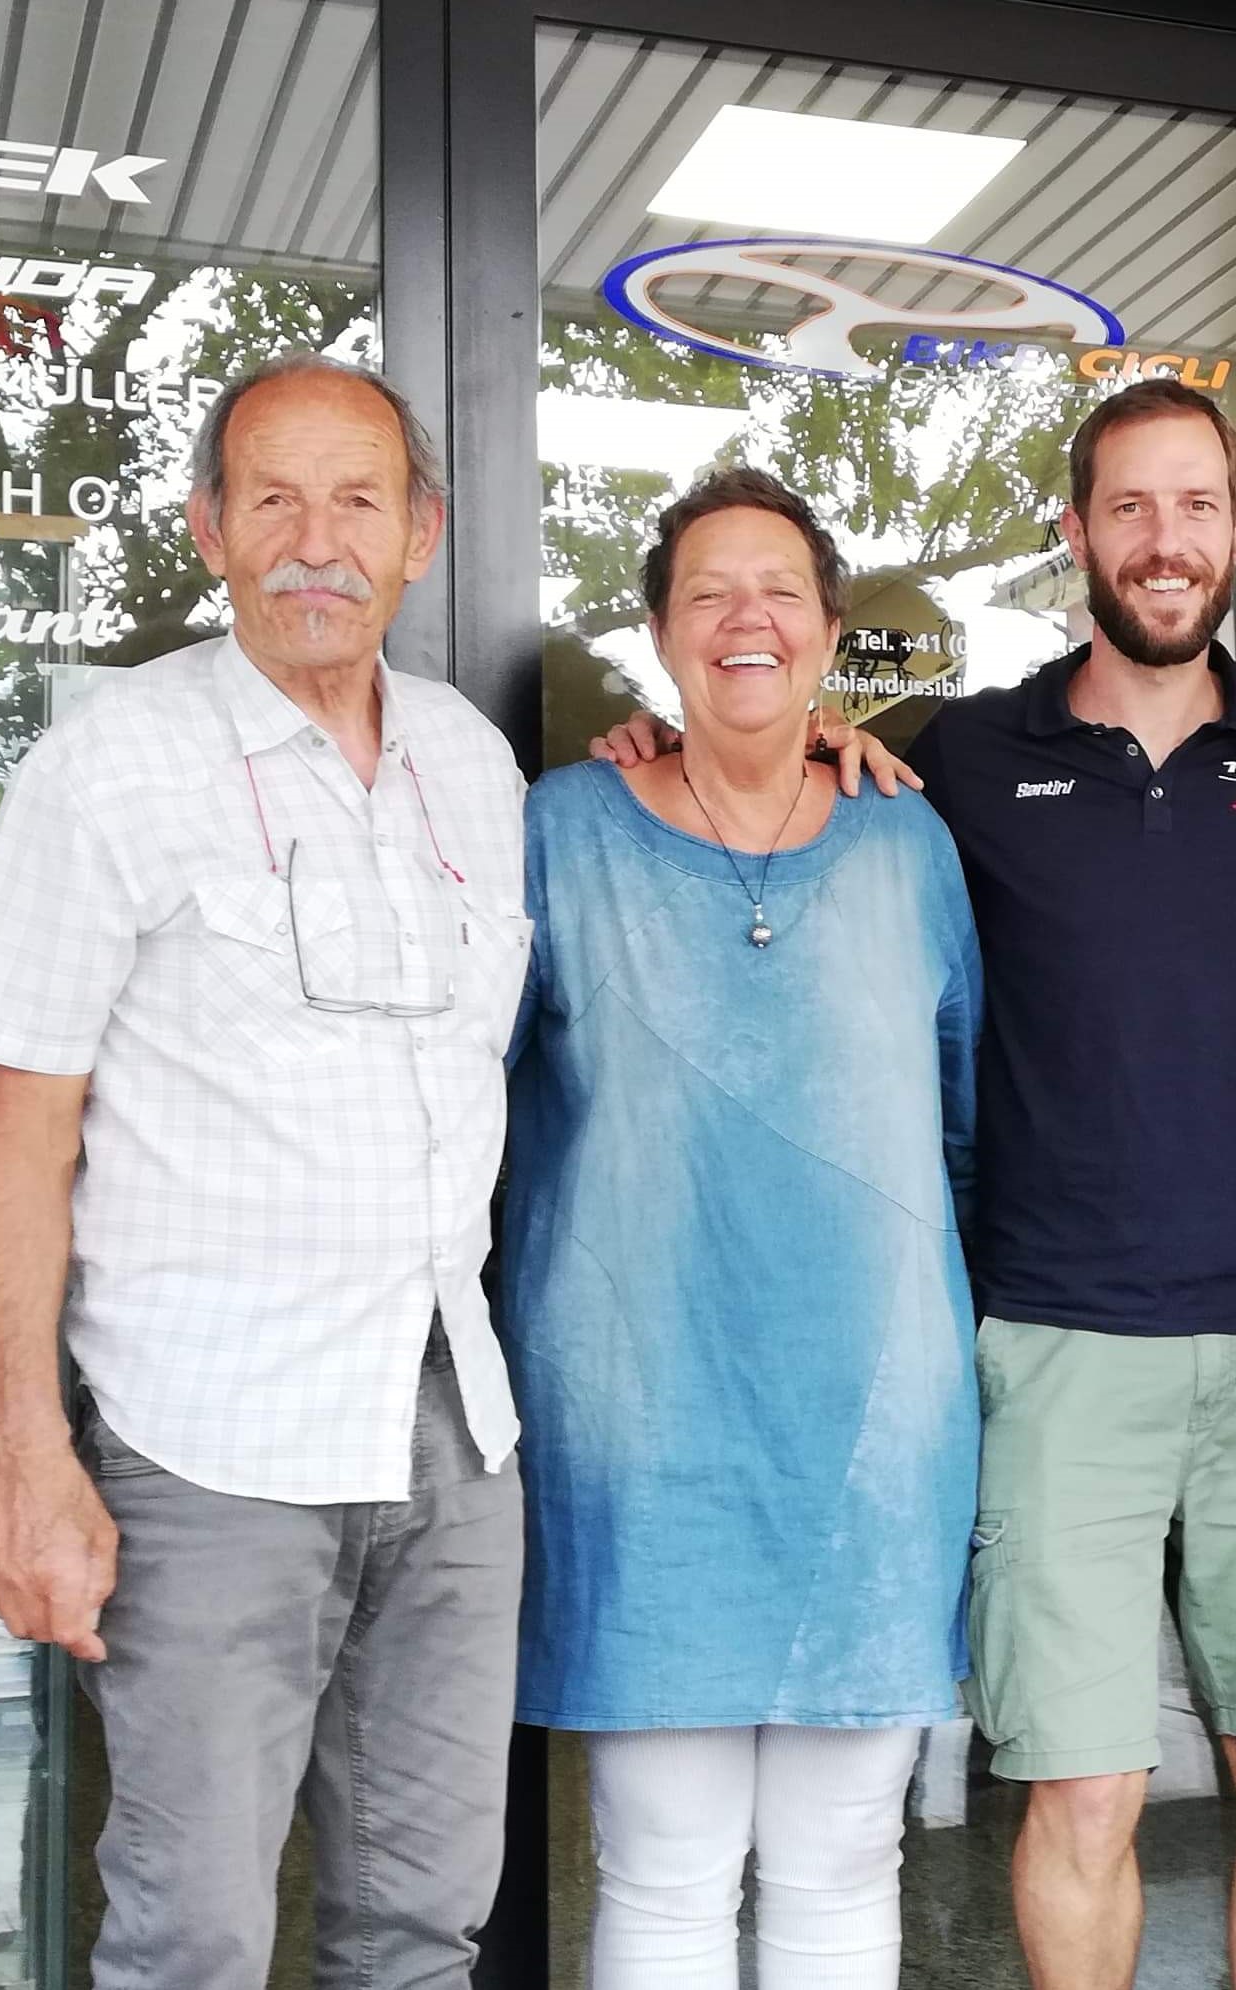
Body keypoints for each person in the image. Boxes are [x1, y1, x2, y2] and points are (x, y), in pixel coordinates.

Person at [597, 381, 1236, 1990]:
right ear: (1076, 532)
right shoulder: (967, 753)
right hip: (1054, 1341)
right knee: (1084, 1786)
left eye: (1195, 506)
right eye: (1130, 507)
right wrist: (695, 737)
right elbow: (780, 790)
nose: (1164, 540)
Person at [0, 354, 530, 1990]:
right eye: (273, 499)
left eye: (357, 501)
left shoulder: (475, 766)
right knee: (190, 1937)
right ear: (209, 528)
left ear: (421, 534)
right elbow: (19, 1133)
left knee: (422, 1928)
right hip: (208, 1441)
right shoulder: (112, 765)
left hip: (449, 1424)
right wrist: (27, 1455)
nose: (315, 542)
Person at [507, 466, 984, 1989]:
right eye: (706, 593)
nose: (745, 619)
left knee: (845, 1864)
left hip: (875, 1434)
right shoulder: (563, 830)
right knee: (661, 1871)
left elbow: (961, 1120)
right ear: (657, 635)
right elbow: (480, 1112)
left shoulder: (909, 843)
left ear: (830, 631)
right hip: (642, 1430)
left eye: (779, 589)